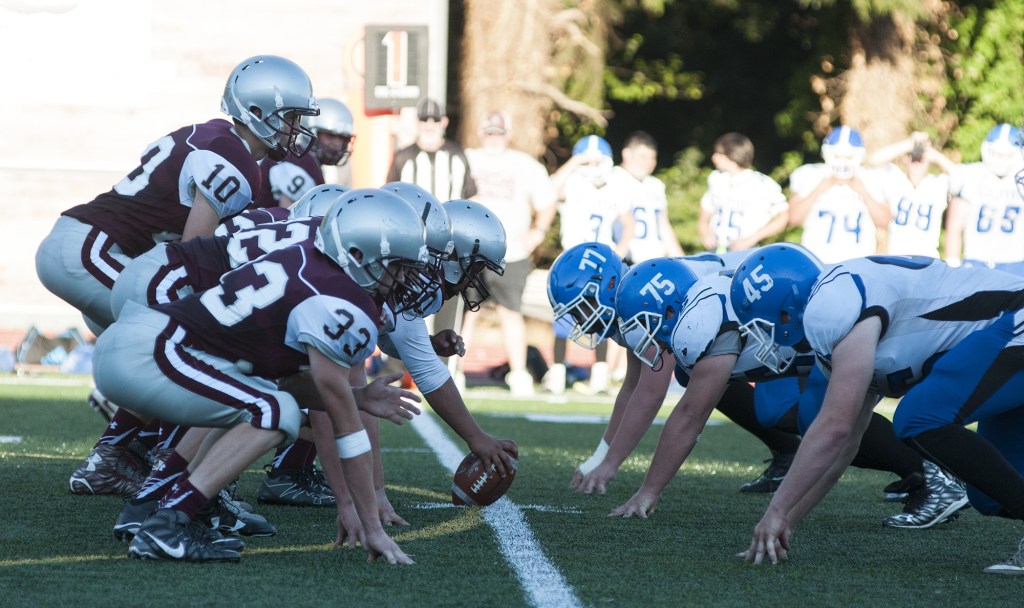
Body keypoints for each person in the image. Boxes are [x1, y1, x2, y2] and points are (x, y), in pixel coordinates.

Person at [93, 189, 427, 563]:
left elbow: (291, 383)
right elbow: (347, 429)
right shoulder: (338, 300)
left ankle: (159, 507)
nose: (403, 279)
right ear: (358, 256)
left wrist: (360, 397)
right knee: (274, 411)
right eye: (397, 267)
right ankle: (169, 522)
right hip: (151, 351)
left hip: (140, 342)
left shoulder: (311, 263)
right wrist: (368, 522)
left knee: (262, 398)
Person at [37, 55, 320, 496]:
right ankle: (150, 466)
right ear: (257, 111)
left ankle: (137, 452)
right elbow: (192, 249)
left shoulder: (210, 134)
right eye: (290, 118)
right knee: (188, 341)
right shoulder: (236, 159)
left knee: (177, 346)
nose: (295, 129)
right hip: (94, 249)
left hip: (87, 245)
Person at [606, 253, 965, 530]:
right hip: (797, 353)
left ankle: (931, 474)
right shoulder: (701, 306)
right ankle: (794, 467)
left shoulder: (704, 320)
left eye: (645, 323)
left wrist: (648, 492)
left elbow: (690, 416)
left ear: (670, 308)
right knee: (773, 412)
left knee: (821, 420)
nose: (644, 337)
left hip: (835, 340)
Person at [730, 244, 1024, 574]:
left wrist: (775, 509)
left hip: (1016, 321)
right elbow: (844, 446)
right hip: (1009, 339)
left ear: (787, 309)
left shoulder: (828, 307)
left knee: (918, 417)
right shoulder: (843, 309)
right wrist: (786, 519)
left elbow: (834, 427)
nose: (767, 337)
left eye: (765, 324)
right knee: (990, 495)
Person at [547, 244, 805, 496]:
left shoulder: (645, 299)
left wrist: (610, 464)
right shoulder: (632, 294)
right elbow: (631, 386)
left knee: (777, 409)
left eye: (581, 308)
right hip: (749, 321)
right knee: (692, 374)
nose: (580, 321)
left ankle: (813, 449)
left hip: (776, 307)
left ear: (608, 285)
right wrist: (599, 458)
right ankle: (789, 451)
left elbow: (650, 393)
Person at [459, 110, 558, 396]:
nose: (494, 138)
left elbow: (547, 201)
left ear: (508, 134)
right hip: (470, 251)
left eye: (499, 133)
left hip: (510, 251)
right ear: (481, 133)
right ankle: (455, 368)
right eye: (490, 132)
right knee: (466, 313)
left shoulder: (524, 164)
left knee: (511, 312)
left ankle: (518, 373)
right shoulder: (466, 159)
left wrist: (537, 233)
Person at [545, 135, 635, 394]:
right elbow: (550, 190)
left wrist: (619, 252)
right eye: (588, 161)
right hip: (572, 261)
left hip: (602, 262)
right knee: (564, 314)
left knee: (604, 316)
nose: (593, 166)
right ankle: (558, 372)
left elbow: (629, 222)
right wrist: (575, 161)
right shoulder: (573, 182)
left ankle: (599, 374)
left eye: (597, 161)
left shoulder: (616, 185)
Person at [786, 126, 891, 264]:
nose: (842, 161)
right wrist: (820, 188)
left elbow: (885, 221)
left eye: (848, 156)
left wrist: (863, 191)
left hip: (857, 263)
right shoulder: (811, 175)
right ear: (826, 153)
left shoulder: (870, 178)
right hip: (817, 261)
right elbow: (793, 218)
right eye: (836, 155)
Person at [944, 123, 1024, 275]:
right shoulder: (971, 175)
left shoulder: (1020, 178)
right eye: (996, 154)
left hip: (1015, 263)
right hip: (976, 260)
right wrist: (952, 263)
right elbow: (954, 226)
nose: (1000, 160)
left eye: (1006, 155)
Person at [249, 97, 356, 209]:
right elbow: (289, 215)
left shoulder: (310, 162)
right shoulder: (295, 161)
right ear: (313, 132)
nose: (337, 144)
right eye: (331, 136)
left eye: (343, 138)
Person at [867, 131, 956, 257]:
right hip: (898, 256)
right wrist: (908, 144)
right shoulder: (896, 179)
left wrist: (932, 152)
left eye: (921, 159)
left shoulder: (938, 184)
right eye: (912, 157)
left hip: (927, 258)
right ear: (905, 158)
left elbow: (961, 176)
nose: (916, 163)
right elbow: (874, 160)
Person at [697, 132, 788, 254]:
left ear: (733, 155)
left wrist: (753, 238)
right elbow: (705, 214)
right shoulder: (717, 179)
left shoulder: (762, 183)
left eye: (719, 154)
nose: (714, 157)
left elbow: (783, 217)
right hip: (716, 250)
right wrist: (705, 232)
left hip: (746, 252)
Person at [604, 131, 684, 264]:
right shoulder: (612, 179)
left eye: (652, 158)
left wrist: (682, 262)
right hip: (626, 261)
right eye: (643, 157)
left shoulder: (656, 185)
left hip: (655, 262)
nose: (649, 163)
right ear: (627, 154)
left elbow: (664, 226)